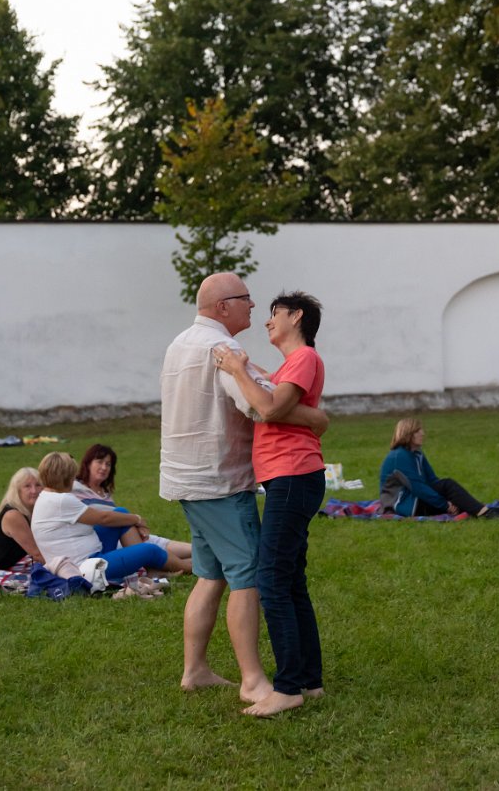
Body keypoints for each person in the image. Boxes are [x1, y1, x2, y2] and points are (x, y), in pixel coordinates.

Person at [159, 272, 328, 706]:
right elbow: (261, 405)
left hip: (185, 479)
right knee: (249, 574)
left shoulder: (179, 344)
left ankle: (195, 670)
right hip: (219, 482)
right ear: (223, 307)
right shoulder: (223, 348)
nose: (253, 307)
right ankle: (253, 680)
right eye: (247, 299)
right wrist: (316, 418)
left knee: (210, 575)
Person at [216, 291, 327, 718]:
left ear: (296, 317)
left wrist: (237, 369)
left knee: (273, 580)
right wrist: (253, 372)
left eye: (274, 314)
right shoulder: (290, 365)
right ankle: (309, 680)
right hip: (291, 478)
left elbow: (270, 408)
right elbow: (276, 397)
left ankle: (287, 687)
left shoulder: (304, 358)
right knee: (291, 580)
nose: (267, 321)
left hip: (293, 476)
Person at [32, 452, 169, 581]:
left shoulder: (47, 496)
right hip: (87, 569)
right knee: (150, 550)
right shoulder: (61, 500)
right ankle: (182, 568)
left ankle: (151, 568)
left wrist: (130, 519)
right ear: (66, 477)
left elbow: (104, 518)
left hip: (88, 558)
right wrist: (137, 519)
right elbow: (103, 518)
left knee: (120, 513)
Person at [72, 443, 192, 574]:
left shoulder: (106, 495)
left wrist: (135, 524)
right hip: (95, 542)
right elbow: (105, 518)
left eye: (108, 464)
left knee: (151, 540)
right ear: (88, 463)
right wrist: (137, 519)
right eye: (100, 462)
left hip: (117, 536)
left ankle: (198, 556)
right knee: (148, 545)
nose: (104, 467)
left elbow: (116, 520)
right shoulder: (75, 487)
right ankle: (188, 566)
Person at [379, 418, 499, 518]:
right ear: (409, 434)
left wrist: (448, 500)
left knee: (457, 498)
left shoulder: (417, 453)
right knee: (449, 486)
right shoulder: (399, 456)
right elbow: (418, 487)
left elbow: (432, 480)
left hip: (416, 500)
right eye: (419, 431)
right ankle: (489, 514)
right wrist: (445, 504)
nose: (423, 433)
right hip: (404, 505)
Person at [0, 468, 44, 569]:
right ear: (17, 491)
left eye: (38, 485)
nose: (34, 490)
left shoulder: (35, 511)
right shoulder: (13, 515)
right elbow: (37, 554)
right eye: (27, 486)